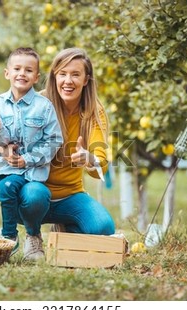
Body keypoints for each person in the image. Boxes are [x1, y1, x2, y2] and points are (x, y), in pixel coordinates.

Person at [16, 47, 116, 261]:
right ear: (54, 76)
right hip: (33, 192)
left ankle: (64, 230)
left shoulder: (94, 112)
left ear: (86, 79)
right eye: (62, 73)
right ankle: (33, 237)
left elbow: (101, 167)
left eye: (75, 74)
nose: (68, 81)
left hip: (70, 195)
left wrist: (89, 158)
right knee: (35, 194)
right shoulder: (37, 104)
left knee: (103, 227)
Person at [0, 47, 63, 255]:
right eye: (17, 68)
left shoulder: (44, 106)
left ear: (36, 77)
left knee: (7, 188)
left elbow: (55, 140)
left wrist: (26, 159)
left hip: (27, 172)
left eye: (28, 70)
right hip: (2, 167)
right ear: (7, 73)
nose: (22, 73)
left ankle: (9, 237)